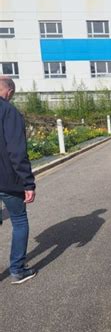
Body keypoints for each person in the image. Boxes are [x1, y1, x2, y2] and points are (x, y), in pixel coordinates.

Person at [0, 76, 37, 284]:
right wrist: (28, 182)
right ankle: (18, 269)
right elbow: (16, 150)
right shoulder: (8, 111)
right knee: (19, 221)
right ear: (9, 92)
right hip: (7, 180)